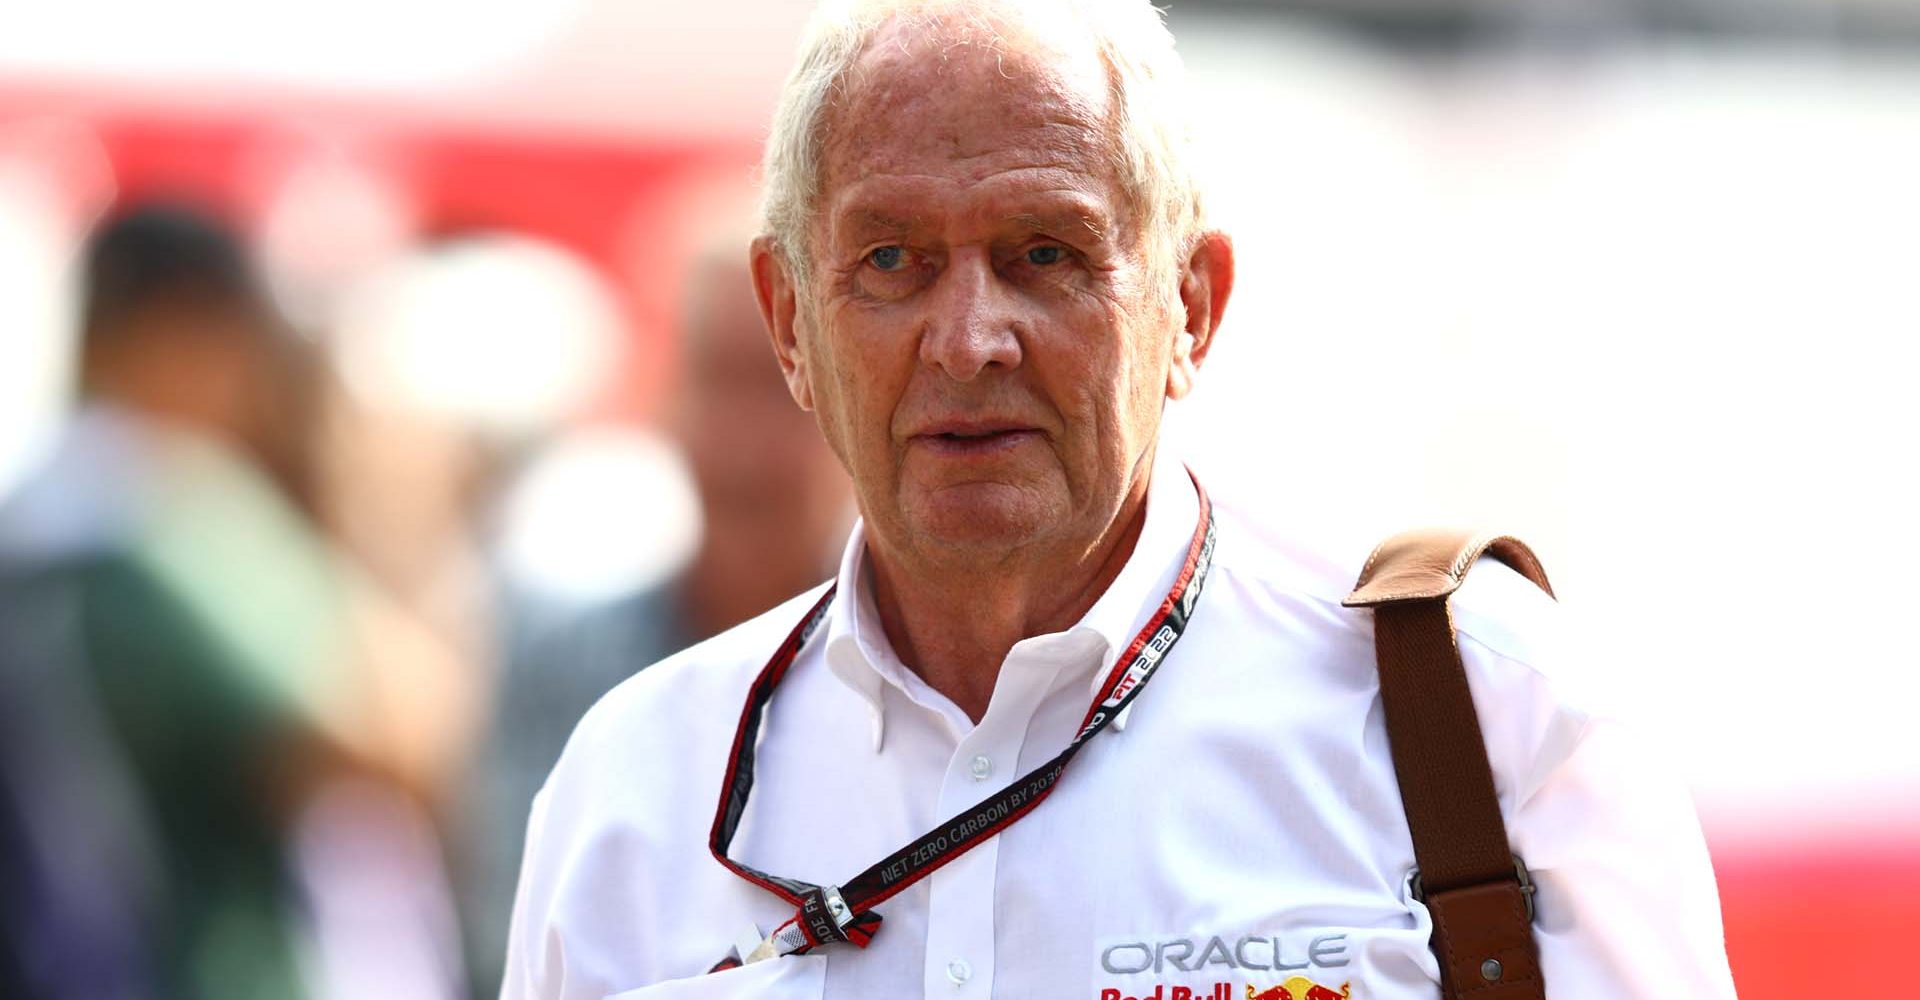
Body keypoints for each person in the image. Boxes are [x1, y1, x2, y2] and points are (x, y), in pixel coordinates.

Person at [500, 3, 1738, 998]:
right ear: (787, 322)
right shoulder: (631, 792)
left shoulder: (1488, 717)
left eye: (1044, 251)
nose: (969, 337)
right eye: (891, 260)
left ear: (1190, 306)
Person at [461, 247, 848, 994]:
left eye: (782, 387)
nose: (743, 446)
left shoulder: (932, 680)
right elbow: (509, 944)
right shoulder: (567, 662)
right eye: (716, 380)